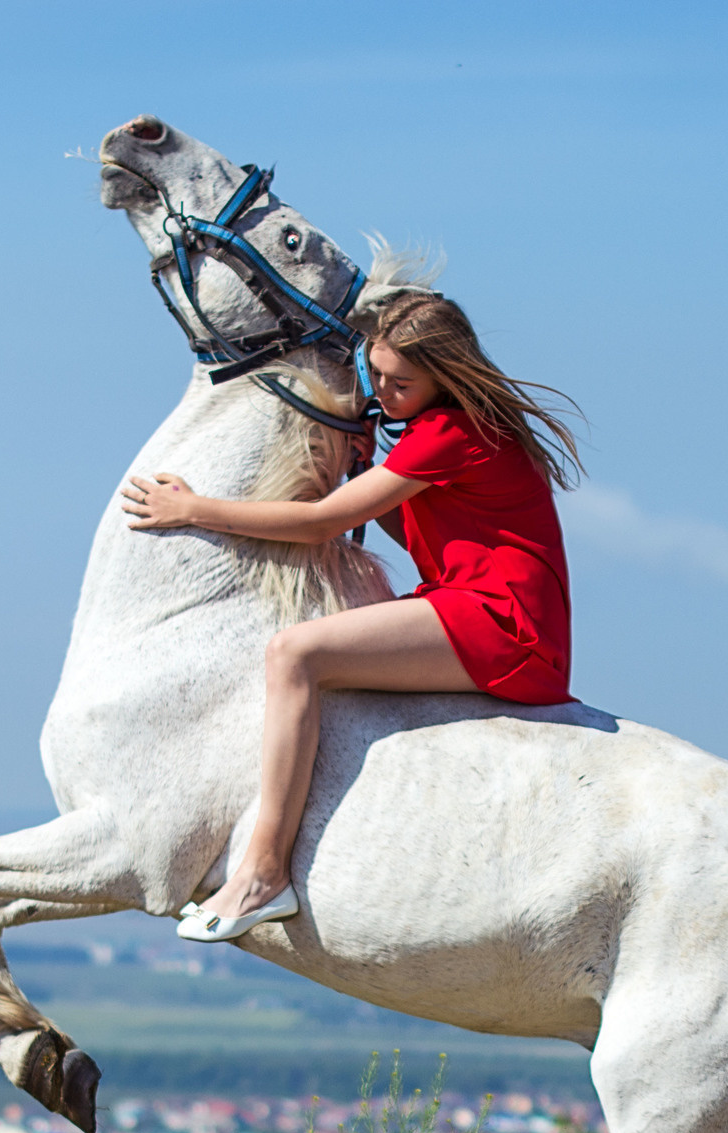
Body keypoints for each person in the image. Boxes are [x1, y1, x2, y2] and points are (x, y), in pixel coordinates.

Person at [119, 292, 584, 942]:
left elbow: (321, 524)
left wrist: (194, 509)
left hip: (504, 625)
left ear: (445, 376)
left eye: (403, 383)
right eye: (379, 376)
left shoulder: (449, 434)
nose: (385, 393)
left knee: (294, 654)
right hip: (473, 607)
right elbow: (403, 519)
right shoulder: (445, 431)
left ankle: (263, 873)